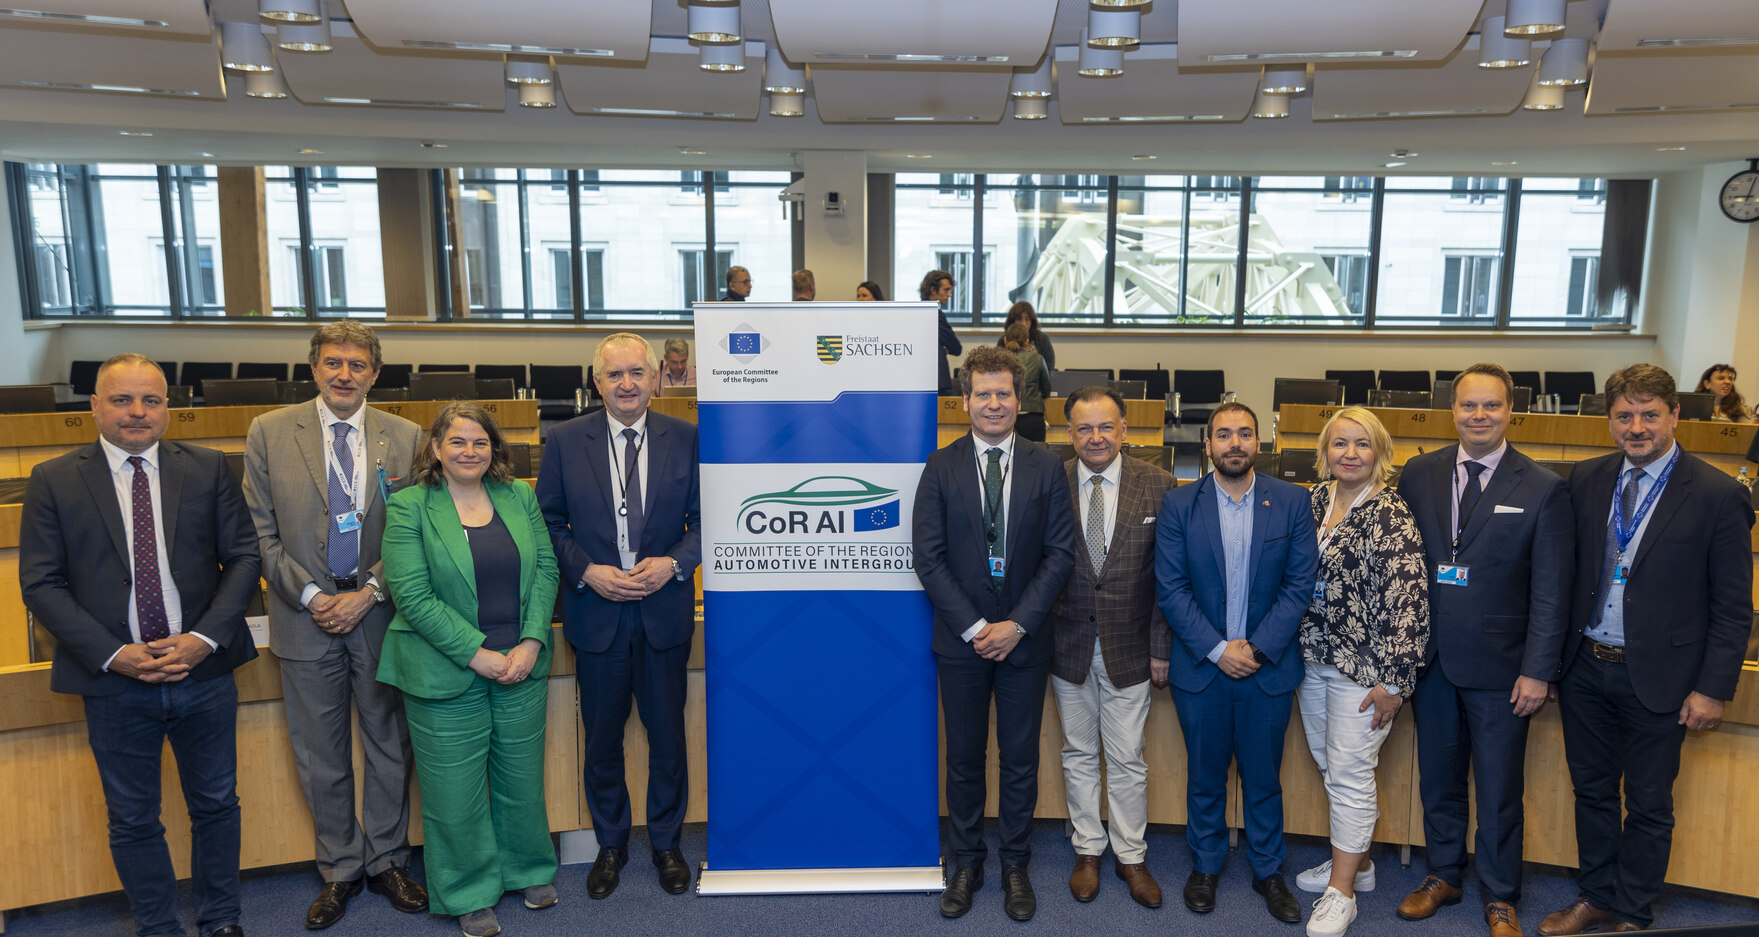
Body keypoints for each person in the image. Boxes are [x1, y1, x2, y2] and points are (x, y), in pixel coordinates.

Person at [20, 353, 261, 937]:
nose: (137, 412)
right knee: (131, 818)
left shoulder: (207, 469)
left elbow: (244, 558)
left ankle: (221, 919)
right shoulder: (55, 478)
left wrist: (204, 639)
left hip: (202, 673)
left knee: (217, 806)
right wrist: (112, 653)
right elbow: (41, 583)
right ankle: (157, 927)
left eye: (151, 400)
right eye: (122, 400)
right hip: (112, 680)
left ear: (168, 409)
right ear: (94, 406)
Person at [1537, 363, 1754, 936]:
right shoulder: (1585, 478)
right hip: (1587, 667)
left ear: (1675, 416)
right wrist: (1553, 664)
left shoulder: (1718, 495)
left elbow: (1733, 607)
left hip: (1663, 675)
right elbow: (1567, 577)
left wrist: (1712, 688)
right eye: (1625, 416)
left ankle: (1633, 913)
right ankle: (1596, 897)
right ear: (1609, 421)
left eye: (1649, 415)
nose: (1637, 427)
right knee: (1593, 793)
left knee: (1651, 804)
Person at [242, 320, 428, 929]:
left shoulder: (405, 437)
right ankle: (340, 869)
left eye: (356, 364)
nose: (343, 374)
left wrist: (370, 591)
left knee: (387, 744)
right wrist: (317, 594)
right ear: (313, 369)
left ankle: (388, 860)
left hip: (380, 614)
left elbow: (416, 535)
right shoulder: (270, 432)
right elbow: (260, 535)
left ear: (375, 373)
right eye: (332, 363)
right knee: (320, 753)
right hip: (304, 617)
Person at [1393, 362, 1573, 937]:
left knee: (1498, 787)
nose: (1479, 416)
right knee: (1438, 777)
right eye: (1469, 406)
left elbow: (1551, 589)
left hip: (1503, 668)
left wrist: (1538, 670)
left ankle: (1500, 894)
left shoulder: (1543, 486)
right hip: (1433, 659)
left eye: (1491, 406)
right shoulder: (1418, 474)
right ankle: (1443, 873)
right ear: (1453, 411)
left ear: (1510, 411)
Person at [378, 402, 560, 937]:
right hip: (445, 669)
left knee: (520, 780)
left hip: (520, 665)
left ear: (494, 449)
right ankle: (467, 891)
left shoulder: (519, 496)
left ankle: (527, 869)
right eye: (457, 442)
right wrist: (477, 652)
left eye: (480, 442)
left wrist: (530, 642)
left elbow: (546, 567)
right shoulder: (411, 505)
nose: (469, 452)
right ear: (435, 449)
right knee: (453, 793)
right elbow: (411, 593)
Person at [536, 333, 702, 899]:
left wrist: (675, 565)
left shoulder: (686, 438)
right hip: (597, 612)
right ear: (597, 381)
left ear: (655, 379)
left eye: (637, 373)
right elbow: (549, 525)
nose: (627, 384)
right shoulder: (563, 441)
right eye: (615, 375)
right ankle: (610, 844)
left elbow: (706, 522)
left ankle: (666, 843)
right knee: (602, 738)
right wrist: (587, 572)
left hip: (663, 610)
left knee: (668, 738)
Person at [914, 345, 1077, 922]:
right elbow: (928, 559)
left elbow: (1059, 556)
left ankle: (1014, 863)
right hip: (962, 643)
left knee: (1018, 760)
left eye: (1002, 393)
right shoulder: (940, 465)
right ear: (965, 401)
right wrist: (980, 627)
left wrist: (1017, 625)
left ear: (1019, 399)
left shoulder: (1047, 466)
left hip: (1025, 641)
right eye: (982, 393)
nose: (993, 403)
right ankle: (966, 861)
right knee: (963, 758)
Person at [1156, 401, 1316, 924]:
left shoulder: (1292, 502)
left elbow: (1298, 587)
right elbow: (1172, 587)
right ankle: (1205, 865)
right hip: (1202, 669)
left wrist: (1257, 648)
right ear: (1207, 445)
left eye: (1244, 434)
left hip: (1266, 669)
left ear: (1258, 443)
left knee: (1263, 777)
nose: (1234, 444)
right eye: (1223, 435)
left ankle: (1269, 871)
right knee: (1205, 776)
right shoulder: (1180, 504)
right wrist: (1217, 649)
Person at [1296, 407, 1429, 937]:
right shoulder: (1311, 501)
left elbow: (1410, 602)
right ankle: (1359, 863)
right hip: (1310, 658)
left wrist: (1395, 682)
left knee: (1351, 774)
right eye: (1339, 443)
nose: (1349, 453)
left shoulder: (1391, 514)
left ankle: (1342, 892)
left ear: (1380, 453)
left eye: (1362, 444)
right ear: (1325, 450)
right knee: (1331, 765)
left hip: (1365, 671)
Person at [1048, 387, 1176, 909]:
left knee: (1128, 759)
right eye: (1084, 428)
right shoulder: (1049, 483)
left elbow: (1170, 577)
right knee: (1078, 754)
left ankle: (1131, 855)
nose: (1095, 437)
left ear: (1124, 430)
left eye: (1106, 427)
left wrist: (1161, 646)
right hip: (1067, 644)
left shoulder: (1161, 486)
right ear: (1070, 434)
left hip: (1132, 647)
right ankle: (1087, 849)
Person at [1002, 322, 1050, 443]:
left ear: (1005, 340)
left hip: (1005, 416)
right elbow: (1046, 389)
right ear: (1027, 341)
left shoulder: (998, 360)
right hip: (1033, 418)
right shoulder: (1037, 359)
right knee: (1036, 458)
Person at [920, 269, 964, 395]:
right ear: (933, 290)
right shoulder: (934, 314)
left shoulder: (916, 313)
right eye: (946, 290)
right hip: (938, 382)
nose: (949, 294)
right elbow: (956, 348)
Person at [993, 300, 1057, 370]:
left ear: (1032, 321)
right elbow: (997, 366)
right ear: (1012, 321)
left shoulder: (1041, 338)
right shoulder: (1004, 339)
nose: (1023, 323)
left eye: (1027, 319)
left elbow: (1049, 366)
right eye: (1019, 319)